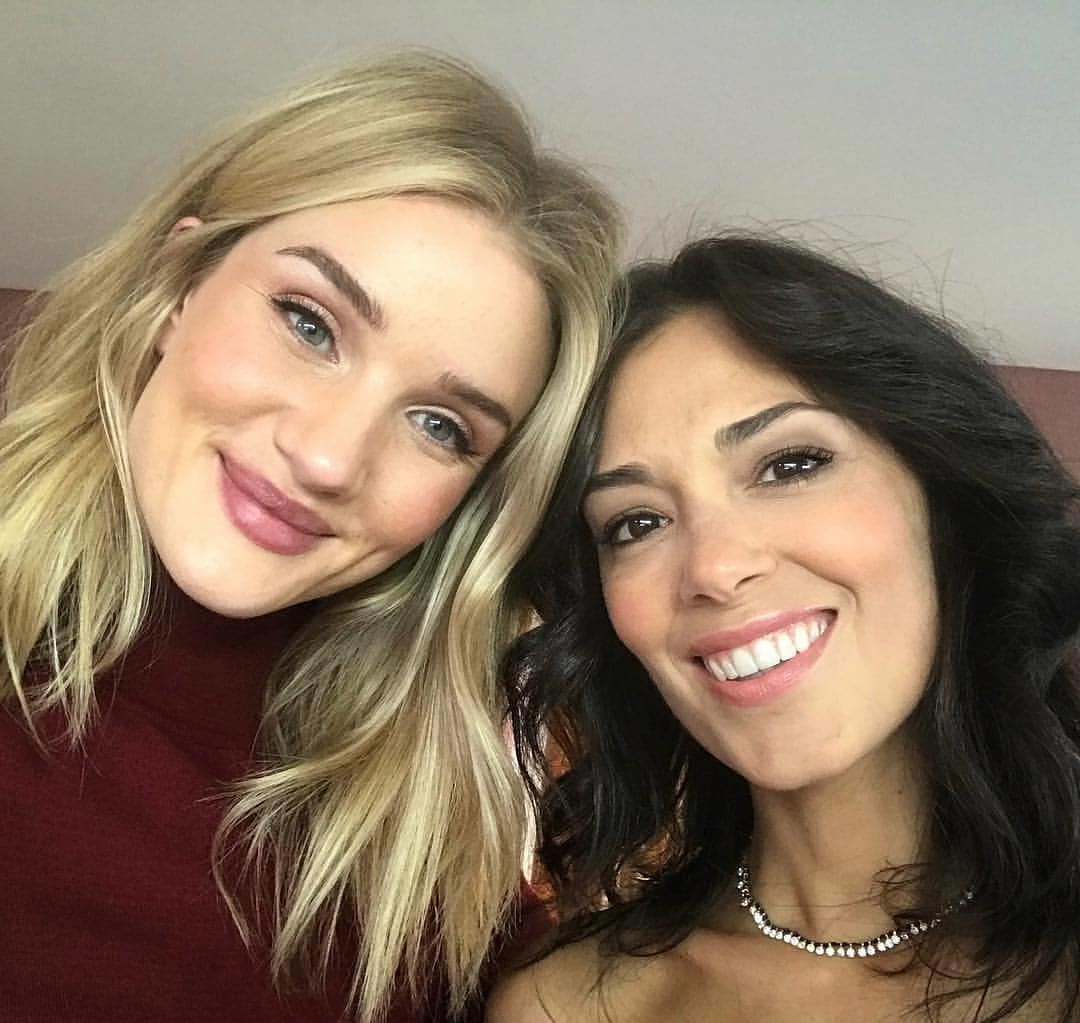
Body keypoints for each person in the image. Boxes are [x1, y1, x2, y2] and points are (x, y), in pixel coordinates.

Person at [0, 50, 622, 1022]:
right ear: (177, 285)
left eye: (440, 425)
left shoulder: (428, 889)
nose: (330, 457)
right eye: (308, 323)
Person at [489, 235, 1080, 1021]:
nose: (715, 567)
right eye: (636, 522)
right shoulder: (565, 1006)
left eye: (790, 464)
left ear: (939, 499)